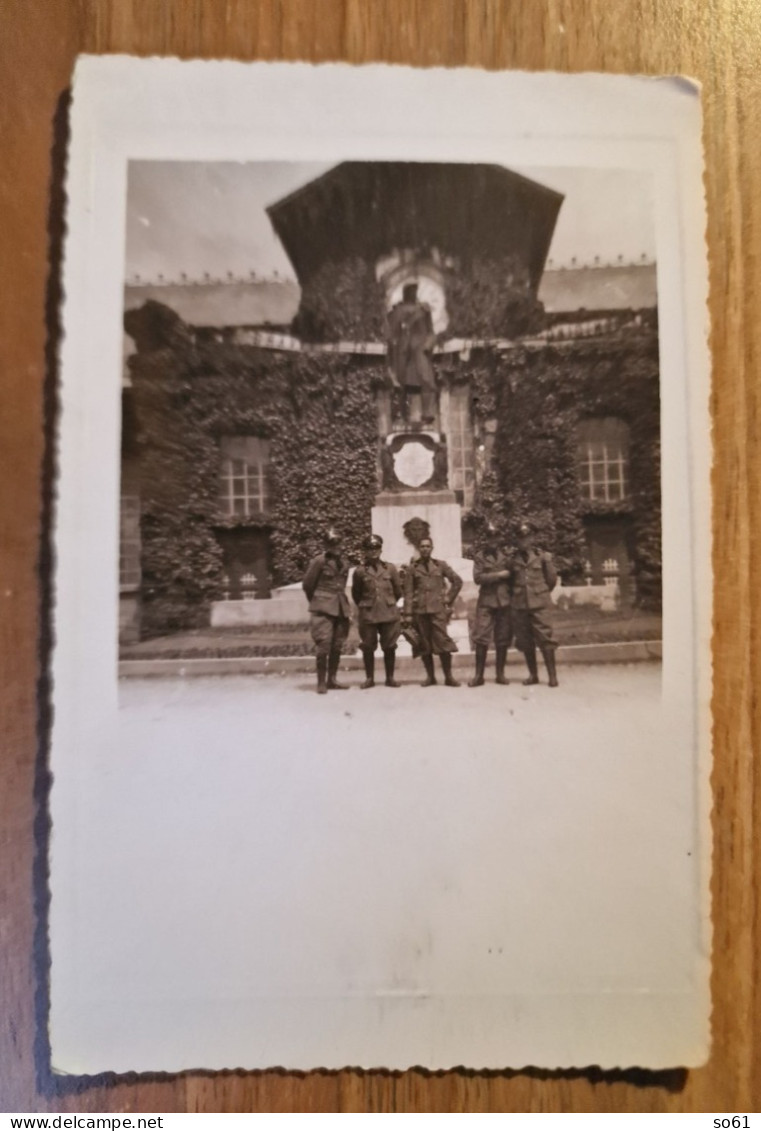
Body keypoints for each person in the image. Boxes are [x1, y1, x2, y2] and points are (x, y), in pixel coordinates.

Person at [403, 536, 463, 687]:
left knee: (443, 643)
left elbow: (457, 581)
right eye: (422, 546)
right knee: (425, 645)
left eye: (427, 546)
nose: (425, 549)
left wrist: (448, 599)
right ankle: (430, 677)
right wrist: (408, 614)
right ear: (419, 549)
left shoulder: (440, 565)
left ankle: (449, 677)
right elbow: (408, 592)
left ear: (432, 548)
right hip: (420, 611)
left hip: (437, 611)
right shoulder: (412, 568)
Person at [301, 528, 352, 694]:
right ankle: (321, 682)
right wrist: (318, 602)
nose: (336, 547)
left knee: (337, 646)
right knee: (324, 646)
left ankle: (332, 679)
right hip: (323, 609)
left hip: (340, 608)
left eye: (338, 543)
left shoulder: (344, 563)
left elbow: (341, 586)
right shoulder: (319, 561)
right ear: (326, 545)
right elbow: (308, 585)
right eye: (332, 544)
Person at [510, 521, 559, 688]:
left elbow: (551, 580)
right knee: (525, 641)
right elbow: (510, 582)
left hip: (540, 604)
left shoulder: (543, 557)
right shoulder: (512, 559)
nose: (524, 541)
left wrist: (540, 593)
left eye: (527, 537)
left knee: (546, 639)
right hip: (520, 605)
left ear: (532, 538)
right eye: (520, 537)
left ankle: (552, 676)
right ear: (517, 539)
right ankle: (533, 675)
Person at [351, 534, 403, 689]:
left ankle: (390, 677)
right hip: (369, 614)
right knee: (368, 646)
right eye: (370, 549)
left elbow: (398, 591)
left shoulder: (390, 569)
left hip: (388, 613)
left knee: (390, 646)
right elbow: (356, 594)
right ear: (365, 551)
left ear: (381, 550)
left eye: (376, 548)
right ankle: (369, 678)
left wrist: (389, 603)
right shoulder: (360, 571)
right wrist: (367, 605)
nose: (373, 552)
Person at [468, 521, 514, 687]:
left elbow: (513, 575)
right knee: (481, 637)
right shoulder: (480, 556)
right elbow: (478, 578)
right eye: (489, 537)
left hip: (503, 601)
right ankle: (478, 676)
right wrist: (500, 575)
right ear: (486, 539)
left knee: (502, 638)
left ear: (499, 538)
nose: (492, 540)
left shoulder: (507, 556)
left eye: (495, 537)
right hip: (486, 602)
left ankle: (500, 674)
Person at [386, 282, 438, 424]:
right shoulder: (397, 313)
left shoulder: (422, 311)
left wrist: (427, 346)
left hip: (416, 350)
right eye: (410, 293)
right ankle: (404, 416)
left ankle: (427, 413)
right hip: (407, 351)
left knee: (427, 381)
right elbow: (391, 337)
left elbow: (431, 334)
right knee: (403, 382)